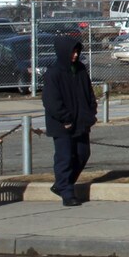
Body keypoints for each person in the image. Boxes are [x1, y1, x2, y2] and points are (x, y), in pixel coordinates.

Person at [41, 34, 97, 207]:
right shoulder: (53, 73)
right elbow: (51, 101)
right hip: (62, 125)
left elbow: (89, 94)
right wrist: (65, 118)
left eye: (77, 51)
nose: (75, 55)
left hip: (81, 122)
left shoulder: (80, 69)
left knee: (82, 154)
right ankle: (67, 192)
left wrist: (91, 112)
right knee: (64, 157)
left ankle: (61, 184)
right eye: (72, 52)